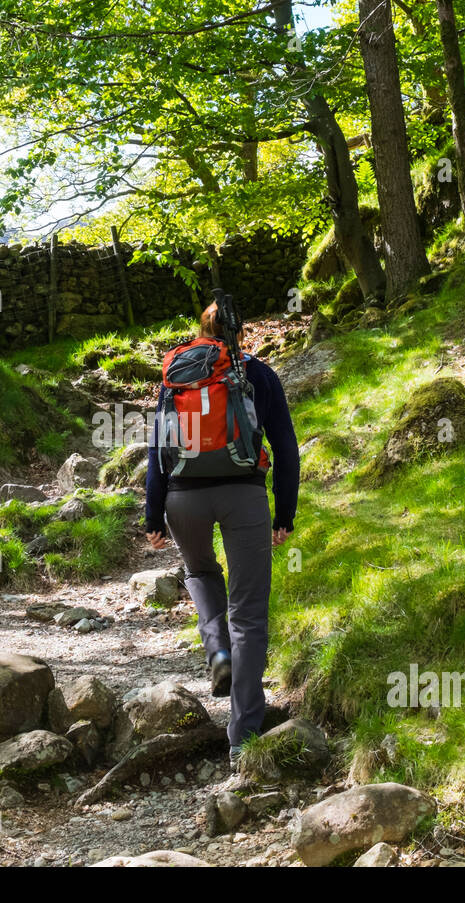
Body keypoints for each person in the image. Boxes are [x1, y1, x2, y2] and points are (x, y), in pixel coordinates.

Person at [144, 301, 300, 770]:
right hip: (244, 494)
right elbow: (286, 449)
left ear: (203, 330)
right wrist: (284, 513)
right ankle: (242, 734)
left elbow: (157, 451)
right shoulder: (259, 375)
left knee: (199, 571)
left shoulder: (177, 373)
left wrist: (153, 515)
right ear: (241, 332)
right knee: (249, 613)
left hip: (182, 497)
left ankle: (218, 652)